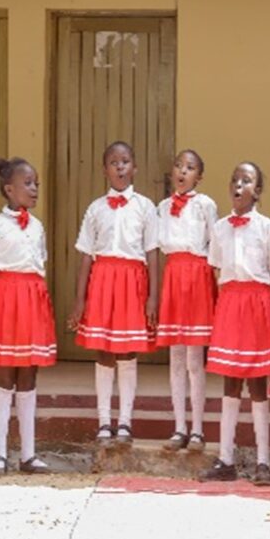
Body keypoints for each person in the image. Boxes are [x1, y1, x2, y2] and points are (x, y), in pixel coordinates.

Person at [70, 141, 159, 445]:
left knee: (128, 350)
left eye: (125, 161)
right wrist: (80, 300)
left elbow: (152, 253)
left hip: (133, 281)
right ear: (104, 170)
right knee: (104, 349)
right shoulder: (95, 208)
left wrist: (152, 296)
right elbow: (85, 255)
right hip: (103, 280)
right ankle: (104, 419)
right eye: (113, 162)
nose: (120, 166)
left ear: (135, 167)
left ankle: (125, 421)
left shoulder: (146, 207)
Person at [0, 157, 56, 477]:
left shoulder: (37, 226)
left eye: (36, 183)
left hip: (33, 301)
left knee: (29, 376)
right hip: (6, 301)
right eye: (28, 183)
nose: (34, 189)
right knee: (4, 376)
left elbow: (39, 265)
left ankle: (29, 454)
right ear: (9, 189)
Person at [201, 162, 270, 486]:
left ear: (257, 191)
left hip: (258, 304)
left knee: (258, 383)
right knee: (230, 383)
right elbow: (217, 270)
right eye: (234, 179)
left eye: (246, 181)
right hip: (231, 303)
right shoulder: (219, 228)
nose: (238, 184)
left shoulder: (268, 228)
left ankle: (263, 461)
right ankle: (225, 458)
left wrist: (264, 308)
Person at [155, 149, 217, 451]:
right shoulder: (163, 207)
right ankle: (178, 426)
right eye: (178, 165)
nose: (182, 171)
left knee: (195, 358)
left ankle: (198, 429)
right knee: (176, 356)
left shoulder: (206, 206)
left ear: (199, 176)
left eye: (190, 167)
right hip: (174, 277)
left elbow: (214, 245)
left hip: (197, 276)